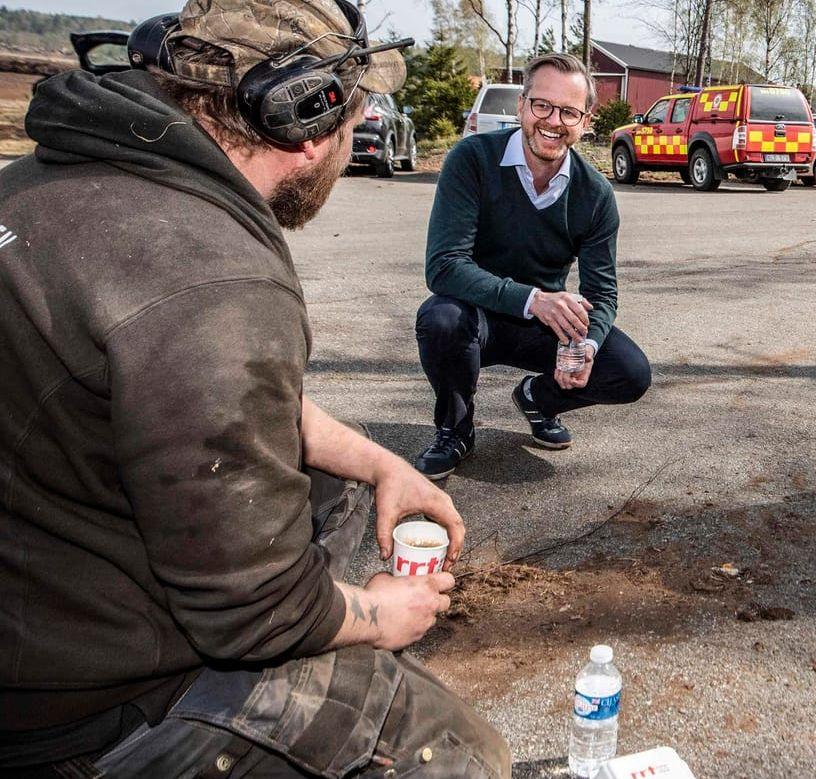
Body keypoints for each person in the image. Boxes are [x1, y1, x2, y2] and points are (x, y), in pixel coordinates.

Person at [0, 0, 510, 775]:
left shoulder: (48, 183)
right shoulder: (214, 278)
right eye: (355, 106)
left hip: (40, 577)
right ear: (310, 118)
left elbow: (194, 394)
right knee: (460, 752)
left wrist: (381, 462)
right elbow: (256, 609)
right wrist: (378, 614)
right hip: (76, 708)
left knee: (330, 493)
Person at [414, 52, 652, 479]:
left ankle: (539, 398)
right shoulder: (472, 160)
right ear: (521, 105)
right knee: (440, 317)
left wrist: (586, 346)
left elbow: (602, 293)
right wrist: (534, 300)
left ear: (585, 120)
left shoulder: (595, 193)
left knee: (630, 372)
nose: (553, 120)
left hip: (544, 329)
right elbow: (444, 266)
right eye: (542, 105)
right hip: (477, 316)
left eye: (568, 111)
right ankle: (456, 428)